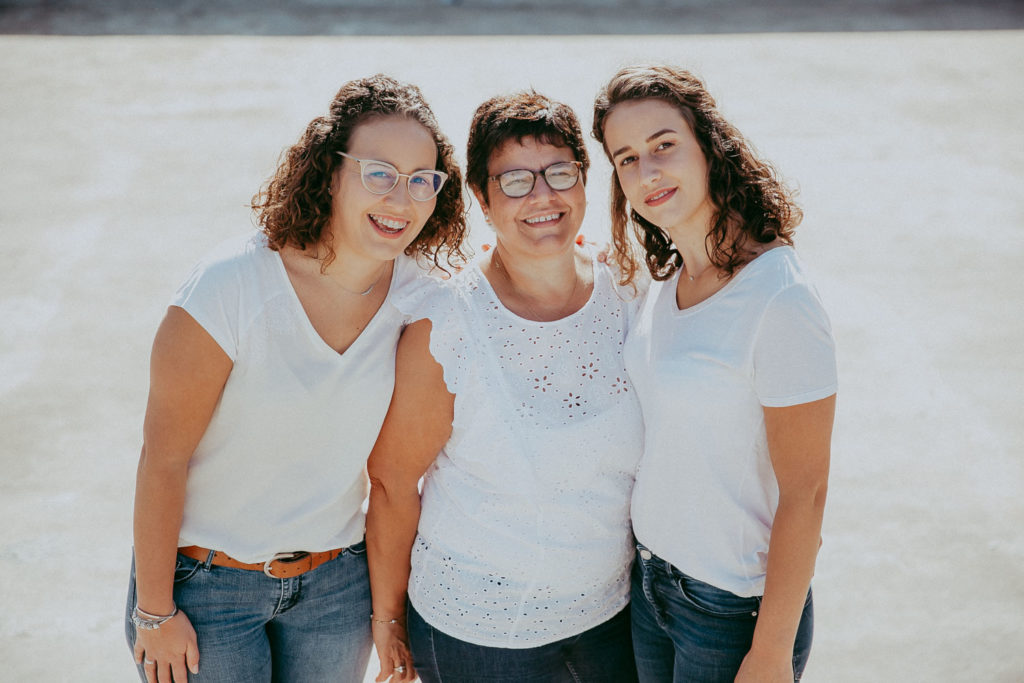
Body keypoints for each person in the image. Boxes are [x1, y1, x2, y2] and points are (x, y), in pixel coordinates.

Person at [124, 74, 467, 683]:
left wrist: (587, 260)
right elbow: (162, 459)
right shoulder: (230, 287)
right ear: (330, 172)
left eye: (422, 180)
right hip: (206, 589)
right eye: (379, 173)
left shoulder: (421, 299)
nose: (401, 199)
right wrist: (155, 610)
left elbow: (507, 286)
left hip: (337, 589)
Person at [365, 91, 644, 683]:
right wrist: (388, 619)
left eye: (559, 172)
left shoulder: (628, 290)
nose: (543, 196)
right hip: (480, 636)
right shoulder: (448, 324)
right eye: (514, 180)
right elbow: (392, 482)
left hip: (615, 616)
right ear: (482, 199)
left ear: (585, 181)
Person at [592, 64, 838, 683]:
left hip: (731, 609)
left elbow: (806, 493)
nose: (646, 172)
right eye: (625, 158)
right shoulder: (670, 279)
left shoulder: (778, 298)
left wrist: (773, 651)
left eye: (663, 145)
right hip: (651, 588)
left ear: (710, 146)